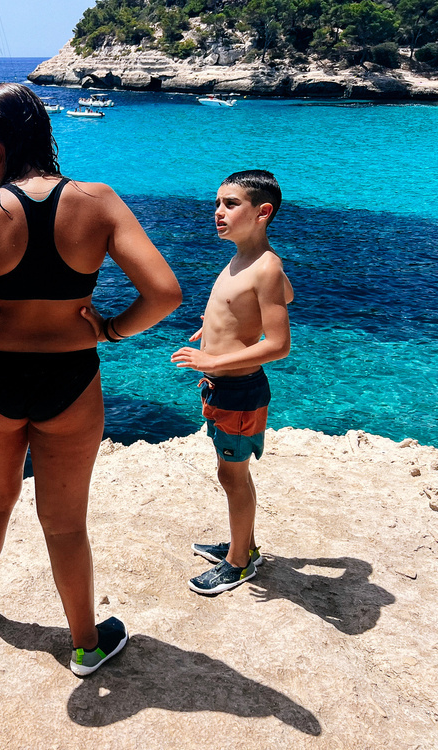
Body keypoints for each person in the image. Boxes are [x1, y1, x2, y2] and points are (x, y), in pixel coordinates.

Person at [0, 83, 182, 676]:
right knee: (65, 522)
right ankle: (85, 643)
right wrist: (108, 330)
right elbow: (164, 294)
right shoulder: (99, 202)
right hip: (72, 378)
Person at [170, 169, 293, 596]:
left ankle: (240, 562)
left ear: (263, 212)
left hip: (241, 393)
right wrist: (217, 325)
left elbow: (278, 345)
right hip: (224, 391)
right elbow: (281, 296)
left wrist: (212, 357)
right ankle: (245, 543)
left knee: (233, 478)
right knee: (230, 473)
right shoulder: (246, 258)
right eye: (217, 203)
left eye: (230, 204)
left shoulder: (265, 266)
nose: (218, 212)